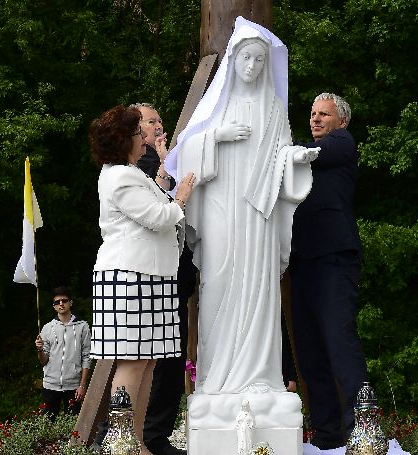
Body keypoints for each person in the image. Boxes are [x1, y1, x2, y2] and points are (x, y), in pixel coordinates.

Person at [165, 17, 318, 431]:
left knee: (260, 288)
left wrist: (295, 159)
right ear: (233, 62)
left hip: (261, 214)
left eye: (258, 60)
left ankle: (260, 376)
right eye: (246, 58)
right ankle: (215, 378)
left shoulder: (273, 108)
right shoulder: (217, 106)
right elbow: (185, 152)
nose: (251, 67)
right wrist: (217, 137)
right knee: (219, 285)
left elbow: (282, 152)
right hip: (220, 211)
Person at [89, 105, 195, 454]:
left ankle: (138, 443)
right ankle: (120, 445)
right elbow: (159, 217)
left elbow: (156, 197)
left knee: (148, 361)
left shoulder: (131, 173)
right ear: (123, 140)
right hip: (129, 278)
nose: (143, 141)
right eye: (137, 134)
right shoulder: (119, 176)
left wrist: (168, 183)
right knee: (133, 362)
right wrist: (182, 197)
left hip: (150, 278)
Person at [289, 93, 367, 454]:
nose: (316, 119)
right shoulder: (304, 155)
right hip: (303, 263)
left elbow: (307, 154)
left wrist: (286, 151)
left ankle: (363, 430)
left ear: (341, 121)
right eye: (313, 114)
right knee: (310, 351)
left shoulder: (340, 144)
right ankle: (327, 435)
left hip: (334, 260)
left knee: (339, 343)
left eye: (324, 114)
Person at [131, 102, 196, 455]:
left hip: (177, 271)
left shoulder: (168, 156)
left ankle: (157, 433)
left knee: (173, 356)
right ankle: (143, 434)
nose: (157, 125)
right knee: (150, 357)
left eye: (159, 120)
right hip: (151, 272)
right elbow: (160, 212)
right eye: (149, 120)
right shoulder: (136, 167)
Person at [35, 286, 91, 421]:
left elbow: (87, 357)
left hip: (73, 386)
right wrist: (39, 349)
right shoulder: (48, 328)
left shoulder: (83, 326)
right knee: (47, 426)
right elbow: (43, 361)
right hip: (50, 384)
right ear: (54, 306)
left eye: (64, 300)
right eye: (57, 302)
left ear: (70, 302)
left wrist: (82, 385)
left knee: (73, 426)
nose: (61, 304)